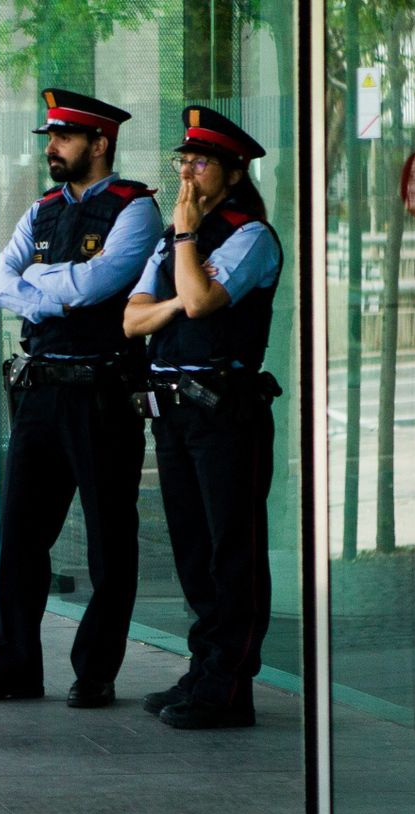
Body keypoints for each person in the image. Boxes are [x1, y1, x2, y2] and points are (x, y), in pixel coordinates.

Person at [0, 88, 163, 709]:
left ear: (101, 144)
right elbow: (0, 286)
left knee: (108, 540)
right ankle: (14, 666)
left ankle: (95, 671)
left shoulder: (136, 210)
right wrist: (57, 289)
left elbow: (101, 286)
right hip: (41, 392)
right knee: (19, 538)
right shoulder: (41, 209)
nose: (52, 147)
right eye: (51, 137)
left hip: (101, 394)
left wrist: (41, 286)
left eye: (65, 138)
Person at [122, 107, 284, 730]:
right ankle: (204, 667)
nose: (186, 172)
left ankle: (230, 683)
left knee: (230, 549)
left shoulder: (250, 236)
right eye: (182, 160)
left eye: (199, 161)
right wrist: (177, 281)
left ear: (234, 172)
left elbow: (200, 300)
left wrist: (186, 243)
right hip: (173, 412)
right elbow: (133, 319)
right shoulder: (174, 238)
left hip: (226, 412)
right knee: (192, 548)